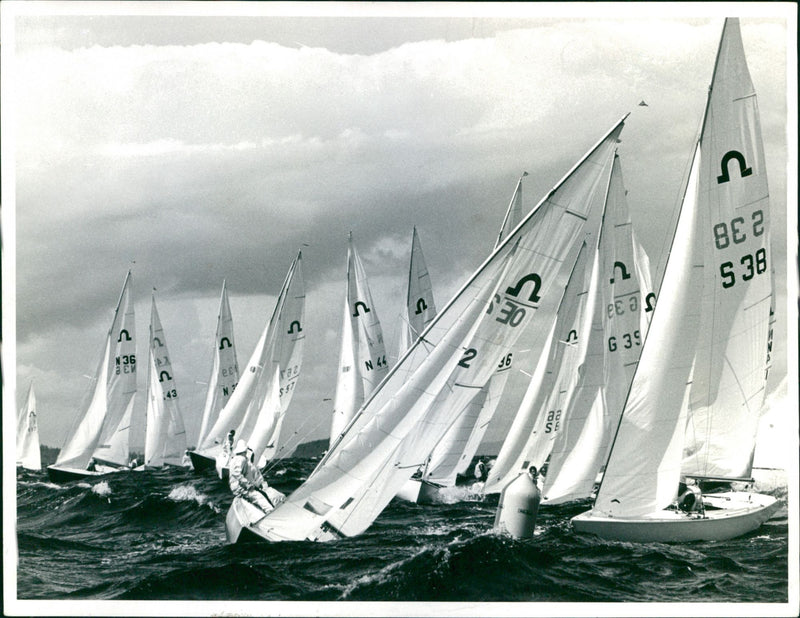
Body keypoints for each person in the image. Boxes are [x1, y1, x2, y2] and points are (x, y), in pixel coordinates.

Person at [228, 439, 276, 513]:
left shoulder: (234, 459)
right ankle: (271, 513)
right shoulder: (242, 459)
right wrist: (247, 484)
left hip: (237, 487)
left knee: (261, 496)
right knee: (260, 498)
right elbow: (236, 473)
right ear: (245, 450)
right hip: (241, 488)